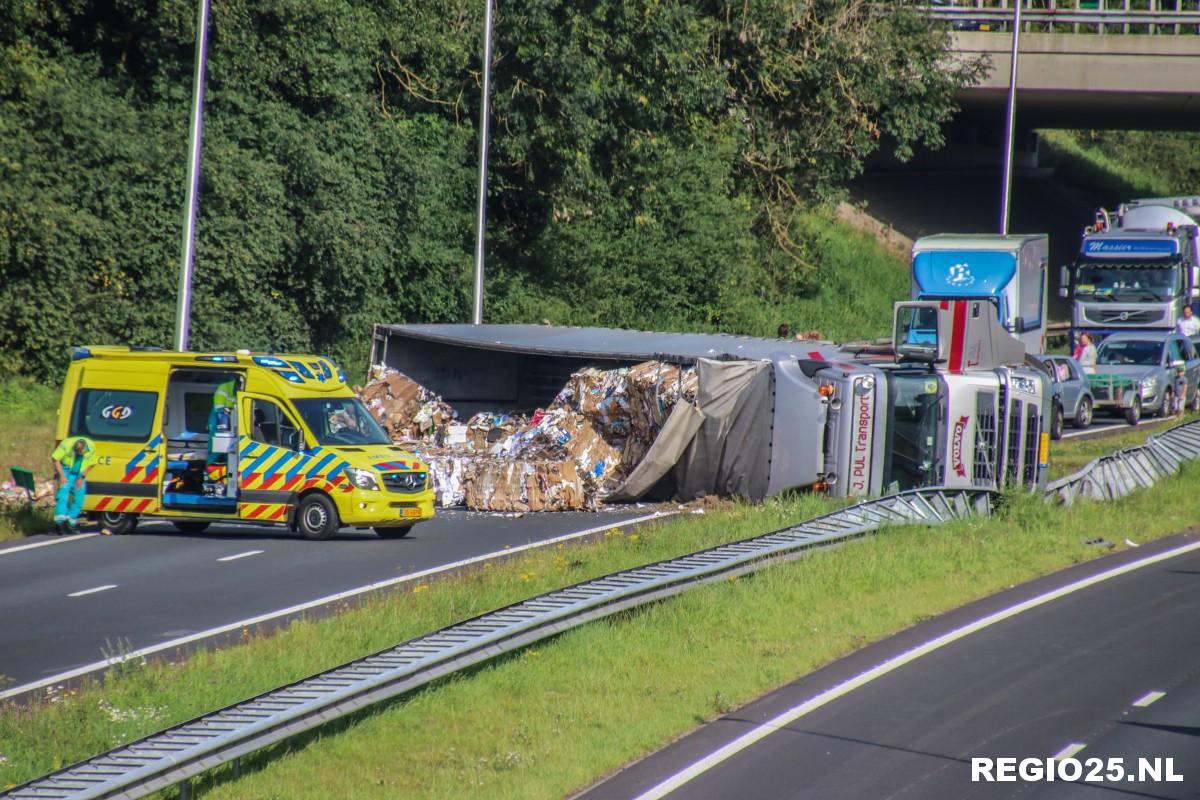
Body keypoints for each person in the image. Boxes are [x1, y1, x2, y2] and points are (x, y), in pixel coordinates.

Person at [52, 436, 98, 534]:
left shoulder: (91, 447)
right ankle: (59, 523)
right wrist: (62, 476)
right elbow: (55, 458)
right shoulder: (66, 445)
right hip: (66, 470)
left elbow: (93, 463)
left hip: (79, 473)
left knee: (79, 499)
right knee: (62, 496)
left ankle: (70, 523)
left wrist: (82, 477)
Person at [206, 378, 237, 486]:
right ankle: (210, 479)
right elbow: (219, 407)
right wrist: (232, 410)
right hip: (218, 425)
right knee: (215, 453)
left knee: (230, 454)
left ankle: (225, 481)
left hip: (230, 426)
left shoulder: (239, 389)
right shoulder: (224, 388)